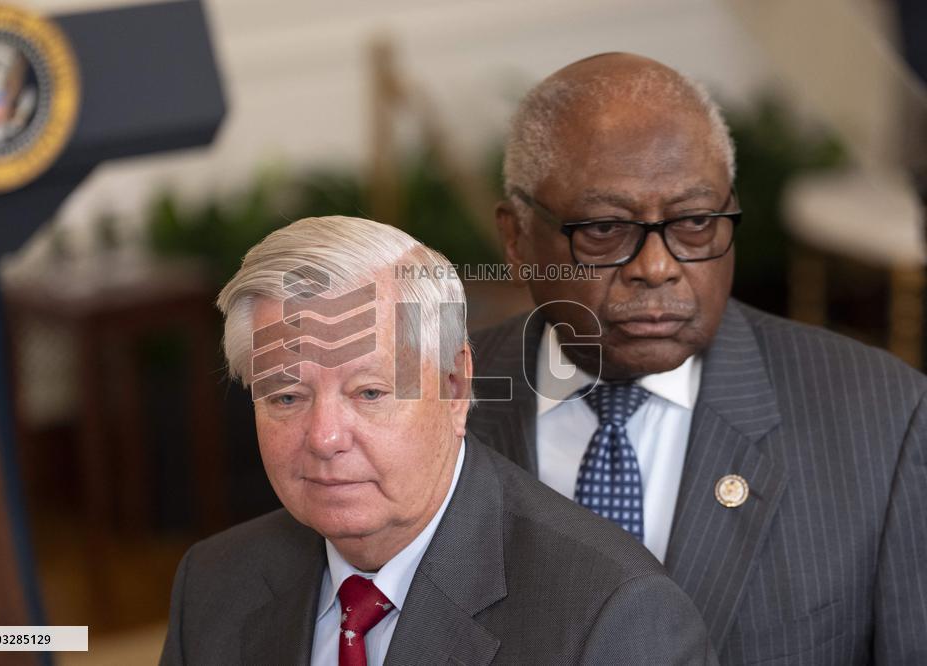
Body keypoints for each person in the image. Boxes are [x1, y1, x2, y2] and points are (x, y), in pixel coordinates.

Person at [467, 52, 927, 664]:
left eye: (695, 222)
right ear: (517, 237)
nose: (657, 267)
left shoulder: (885, 421)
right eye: (605, 228)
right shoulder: (437, 406)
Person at [160, 216, 716, 665]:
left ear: (455, 387)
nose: (325, 437)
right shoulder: (213, 583)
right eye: (286, 398)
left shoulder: (610, 617)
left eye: (370, 392)